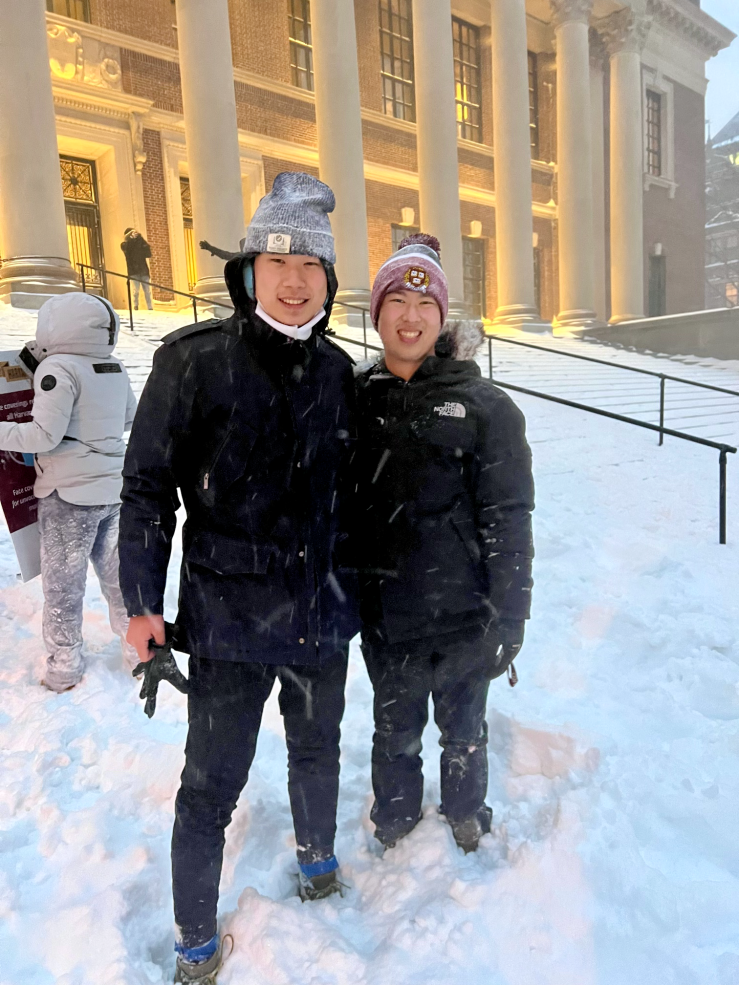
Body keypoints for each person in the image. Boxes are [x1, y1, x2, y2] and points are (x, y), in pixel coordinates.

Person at [119, 172, 359, 983]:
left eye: (311, 267)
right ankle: (194, 940)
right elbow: (147, 487)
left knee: (317, 749)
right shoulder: (196, 364)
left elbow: (358, 498)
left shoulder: (339, 376)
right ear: (250, 268)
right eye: (277, 261)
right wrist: (142, 601)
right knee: (211, 784)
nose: (294, 282)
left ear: (328, 279)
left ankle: (318, 860)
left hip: (321, 616)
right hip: (228, 619)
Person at [355, 234, 535, 854]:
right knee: (393, 733)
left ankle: (465, 812)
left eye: (425, 304)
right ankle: (397, 820)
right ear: (376, 313)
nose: (410, 317)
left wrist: (509, 615)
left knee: (464, 732)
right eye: (396, 304)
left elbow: (509, 520)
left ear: (441, 315)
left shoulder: (486, 408)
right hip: (388, 617)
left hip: (465, 618)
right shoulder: (355, 401)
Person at [0, 292, 138, 692]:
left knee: (63, 585)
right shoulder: (113, 366)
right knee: (120, 580)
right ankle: (137, 654)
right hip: (114, 489)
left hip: (68, 496)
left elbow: (42, 436)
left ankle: (64, 665)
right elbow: (129, 417)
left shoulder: (58, 368)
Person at [120, 227, 153, 310]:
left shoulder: (139, 243)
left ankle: (150, 307)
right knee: (135, 291)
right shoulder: (124, 244)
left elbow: (148, 253)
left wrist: (140, 238)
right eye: (131, 234)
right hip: (133, 271)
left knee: (147, 290)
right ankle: (135, 306)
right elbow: (129, 251)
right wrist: (132, 239)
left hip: (143, 270)